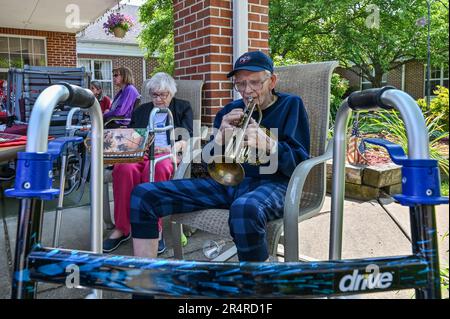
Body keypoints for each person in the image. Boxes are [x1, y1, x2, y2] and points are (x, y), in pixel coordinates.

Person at [129, 51, 310, 262]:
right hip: (227, 182)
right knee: (143, 196)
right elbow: (206, 164)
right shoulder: (230, 110)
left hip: (272, 183)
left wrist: (270, 144)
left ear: (272, 81)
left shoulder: (291, 106)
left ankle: (256, 287)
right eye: (240, 84)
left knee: (244, 209)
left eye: (254, 83)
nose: (247, 91)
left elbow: (300, 163)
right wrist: (219, 140)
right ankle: (144, 282)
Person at [103, 72, 193, 253]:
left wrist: (172, 149)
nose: (158, 99)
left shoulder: (183, 107)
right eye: (154, 95)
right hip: (141, 153)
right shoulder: (141, 110)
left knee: (157, 170)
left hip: (166, 154)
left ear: (171, 93)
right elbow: (132, 137)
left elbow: (187, 136)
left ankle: (155, 229)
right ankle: (122, 228)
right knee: (123, 169)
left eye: (163, 95)